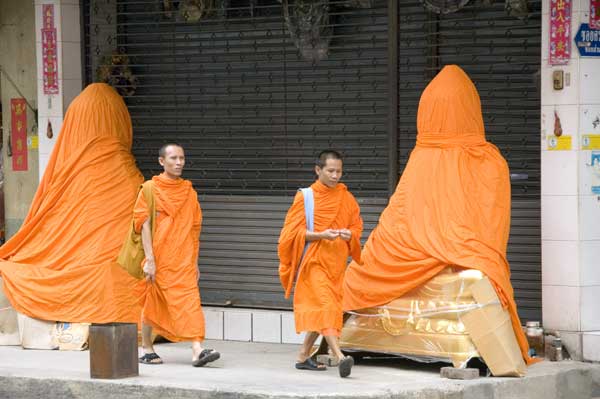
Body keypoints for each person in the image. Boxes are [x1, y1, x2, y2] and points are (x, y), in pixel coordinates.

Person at [342, 65, 535, 366]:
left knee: (362, 272)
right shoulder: (489, 161)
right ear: (472, 109)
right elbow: (490, 224)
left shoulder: (423, 158)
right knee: (473, 276)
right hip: (461, 256)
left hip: (408, 259)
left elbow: (398, 218)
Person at [0, 83, 142, 325]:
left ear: (73, 127)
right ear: (121, 122)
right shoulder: (133, 182)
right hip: (122, 294)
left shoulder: (66, 180)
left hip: (87, 286)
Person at [278, 150, 363, 378]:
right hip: (314, 261)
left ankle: (303, 356)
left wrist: (349, 235)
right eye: (331, 171)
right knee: (326, 306)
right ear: (318, 170)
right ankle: (340, 356)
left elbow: (356, 226)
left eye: (339, 171)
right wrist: (320, 235)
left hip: (336, 264)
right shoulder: (306, 197)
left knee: (326, 309)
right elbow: (290, 234)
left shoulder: (347, 197)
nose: (336, 176)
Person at [135, 143, 220, 367]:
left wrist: (195, 261)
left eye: (182, 158)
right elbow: (143, 225)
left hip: (183, 259)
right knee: (152, 303)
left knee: (191, 301)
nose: (179, 162)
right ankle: (147, 348)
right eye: (173, 158)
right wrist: (150, 260)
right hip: (159, 258)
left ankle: (197, 349)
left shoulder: (188, 192)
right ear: (162, 161)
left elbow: (194, 228)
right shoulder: (150, 189)